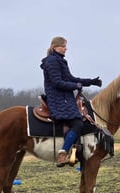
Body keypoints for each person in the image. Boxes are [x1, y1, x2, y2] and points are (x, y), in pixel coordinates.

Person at [40, 36, 102, 167]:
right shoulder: (51, 62)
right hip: (58, 99)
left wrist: (90, 82)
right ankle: (63, 154)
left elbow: (71, 78)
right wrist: (75, 86)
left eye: (65, 46)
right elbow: (57, 83)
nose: (65, 48)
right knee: (78, 123)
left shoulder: (61, 61)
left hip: (65, 98)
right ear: (54, 47)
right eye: (63, 46)